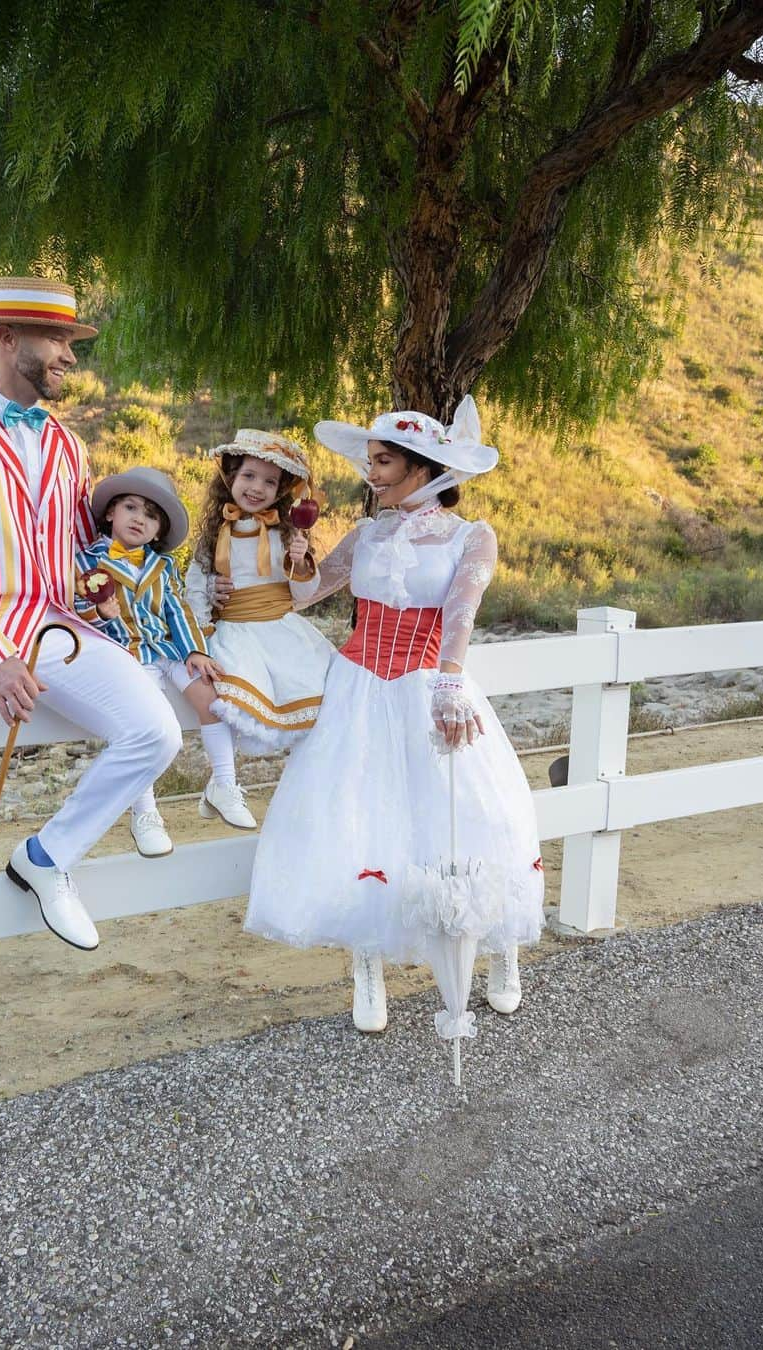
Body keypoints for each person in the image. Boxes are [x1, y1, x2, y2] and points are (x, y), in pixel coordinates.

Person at [0, 277, 182, 946]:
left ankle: (46, 859)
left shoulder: (67, 445)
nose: (70, 357)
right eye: (58, 340)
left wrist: (117, 591)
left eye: (71, 342)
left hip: (53, 627)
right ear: (9, 338)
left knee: (155, 733)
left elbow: (79, 549)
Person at [244, 399, 543, 1033]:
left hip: (429, 684)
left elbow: (461, 612)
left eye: (382, 462)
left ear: (421, 467)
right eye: (371, 462)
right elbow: (307, 592)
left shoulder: (471, 536)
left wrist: (450, 686)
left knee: (465, 816)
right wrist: (289, 554)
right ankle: (367, 961)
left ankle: (500, 949)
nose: (370, 472)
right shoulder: (369, 531)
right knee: (359, 817)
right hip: (358, 689)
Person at [75, 466, 244, 856]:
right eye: (131, 507)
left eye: (151, 515)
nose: (140, 518)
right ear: (110, 514)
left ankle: (224, 781)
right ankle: (145, 812)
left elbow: (177, 611)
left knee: (210, 694)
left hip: (165, 650)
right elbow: (76, 613)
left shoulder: (162, 566)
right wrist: (101, 613)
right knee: (146, 724)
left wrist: (194, 651)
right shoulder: (87, 562)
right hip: (127, 655)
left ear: (158, 531)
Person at [184, 430, 335, 826]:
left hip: (282, 629)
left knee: (320, 701)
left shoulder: (285, 533)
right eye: (249, 476)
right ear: (230, 478)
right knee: (236, 697)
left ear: (281, 491)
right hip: (237, 630)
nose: (257, 488)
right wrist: (208, 609)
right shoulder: (216, 535)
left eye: (270, 481)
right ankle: (223, 783)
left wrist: (301, 563)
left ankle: (312, 794)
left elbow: (305, 591)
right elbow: (195, 585)